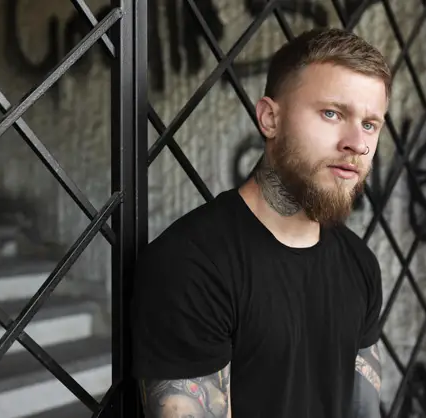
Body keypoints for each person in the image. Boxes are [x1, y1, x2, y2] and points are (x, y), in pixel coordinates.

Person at [130, 27, 391, 418]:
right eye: (332, 113)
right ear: (269, 118)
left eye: (370, 124)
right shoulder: (191, 266)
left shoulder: (359, 263)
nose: (357, 143)